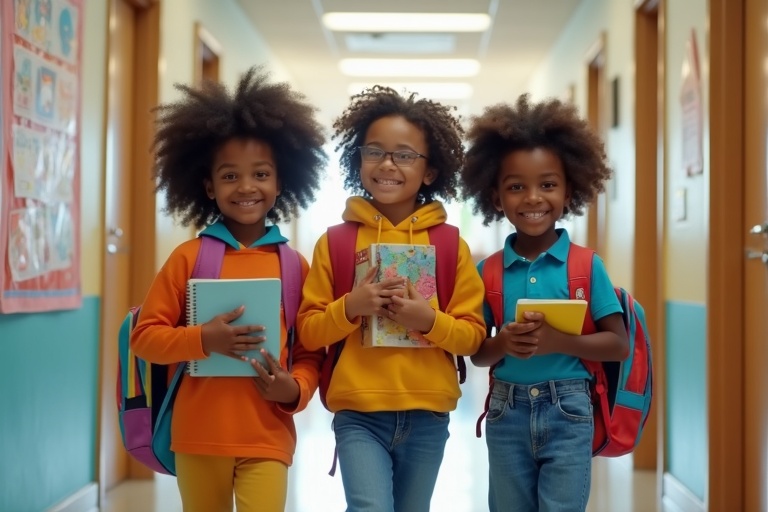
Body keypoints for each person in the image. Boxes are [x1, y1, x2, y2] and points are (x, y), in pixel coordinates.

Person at [130, 66, 326, 512]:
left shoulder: (295, 266)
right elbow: (145, 339)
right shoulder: (187, 258)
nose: (246, 187)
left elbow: (310, 351)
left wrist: (295, 389)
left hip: (268, 434)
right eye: (230, 176)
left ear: (280, 182)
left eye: (261, 174)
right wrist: (204, 339)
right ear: (209, 186)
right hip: (198, 437)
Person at [297, 86, 486, 512]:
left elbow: (472, 338)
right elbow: (309, 332)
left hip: (428, 412)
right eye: (374, 152)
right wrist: (350, 307)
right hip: (358, 412)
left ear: (430, 171)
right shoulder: (335, 243)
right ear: (358, 160)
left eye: (404, 155)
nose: (387, 164)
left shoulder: (451, 245)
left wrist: (428, 320)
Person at [459, 94, 630, 512]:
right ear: (496, 197)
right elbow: (478, 353)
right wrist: (503, 344)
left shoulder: (586, 266)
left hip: (570, 409)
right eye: (516, 187)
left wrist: (558, 341)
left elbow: (618, 344)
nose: (533, 198)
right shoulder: (488, 272)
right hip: (506, 411)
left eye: (548, 185)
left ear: (569, 191)